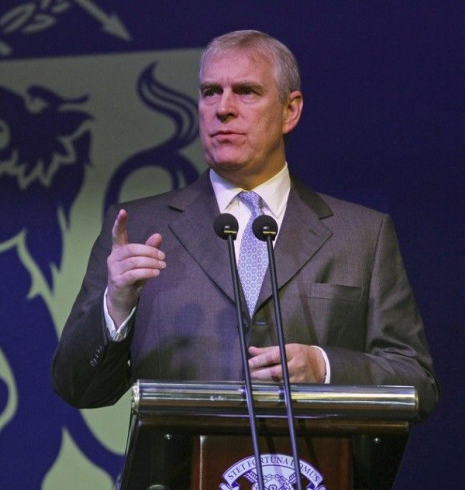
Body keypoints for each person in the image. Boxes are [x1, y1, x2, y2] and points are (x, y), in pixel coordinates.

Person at [51, 30, 439, 420]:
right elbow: (77, 388)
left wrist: (324, 368)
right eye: (210, 92)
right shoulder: (138, 228)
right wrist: (116, 305)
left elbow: (417, 383)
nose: (223, 108)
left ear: (291, 111)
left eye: (247, 92)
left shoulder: (362, 236)